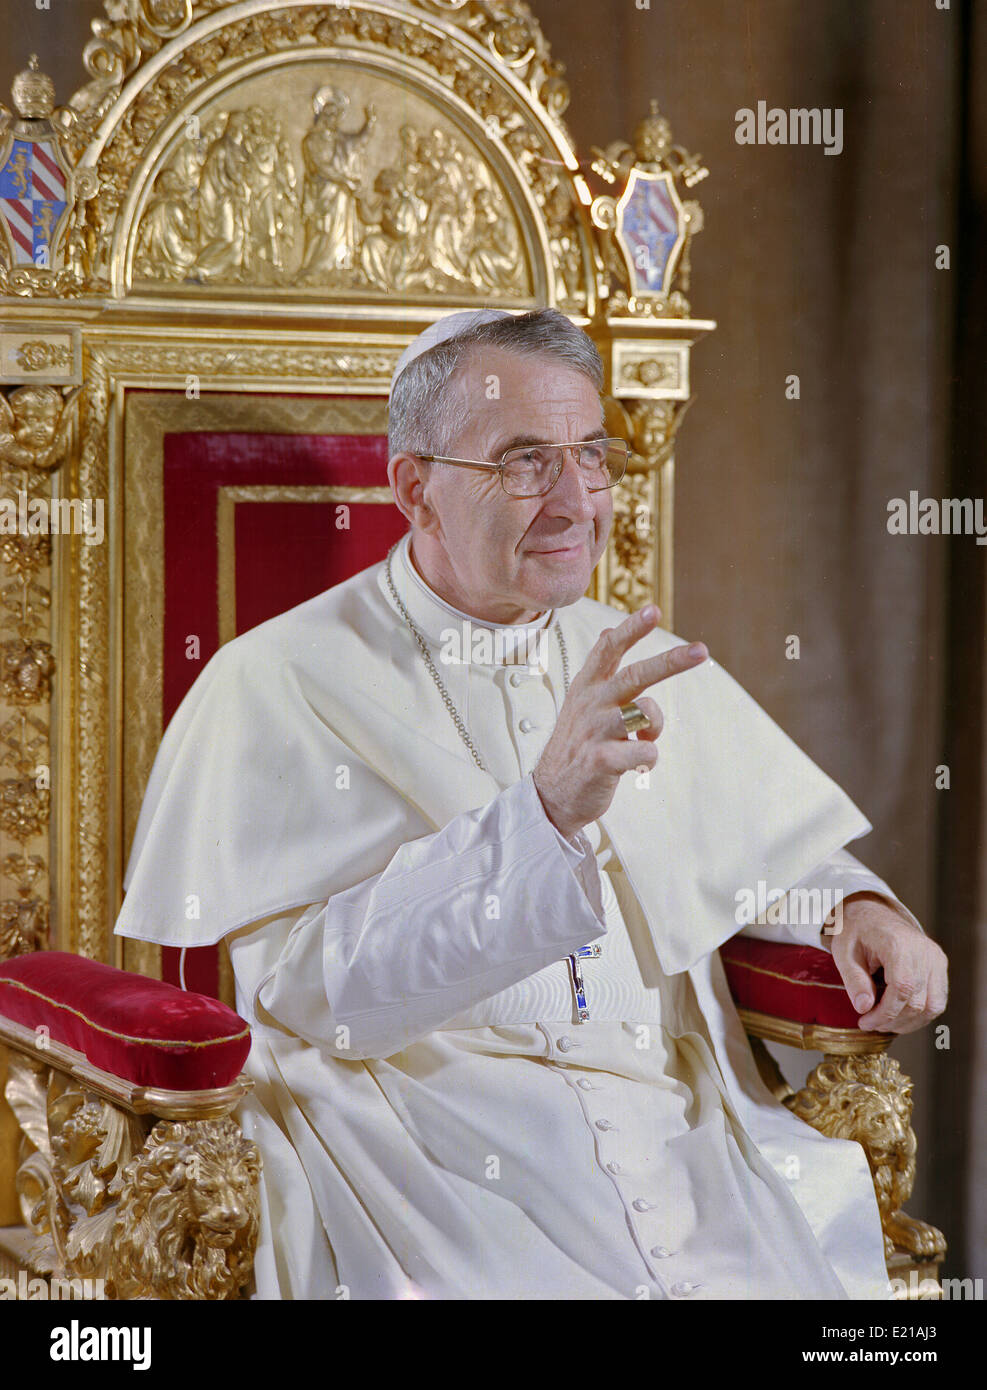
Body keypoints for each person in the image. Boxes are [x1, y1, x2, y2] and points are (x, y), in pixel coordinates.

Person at [115, 307, 948, 1301]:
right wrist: (541, 817)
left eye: (589, 454)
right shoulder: (272, 682)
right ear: (415, 490)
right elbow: (312, 1000)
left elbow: (752, 839)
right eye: (522, 461)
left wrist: (851, 907)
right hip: (415, 1152)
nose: (574, 500)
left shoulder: (627, 652)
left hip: (676, 1131)